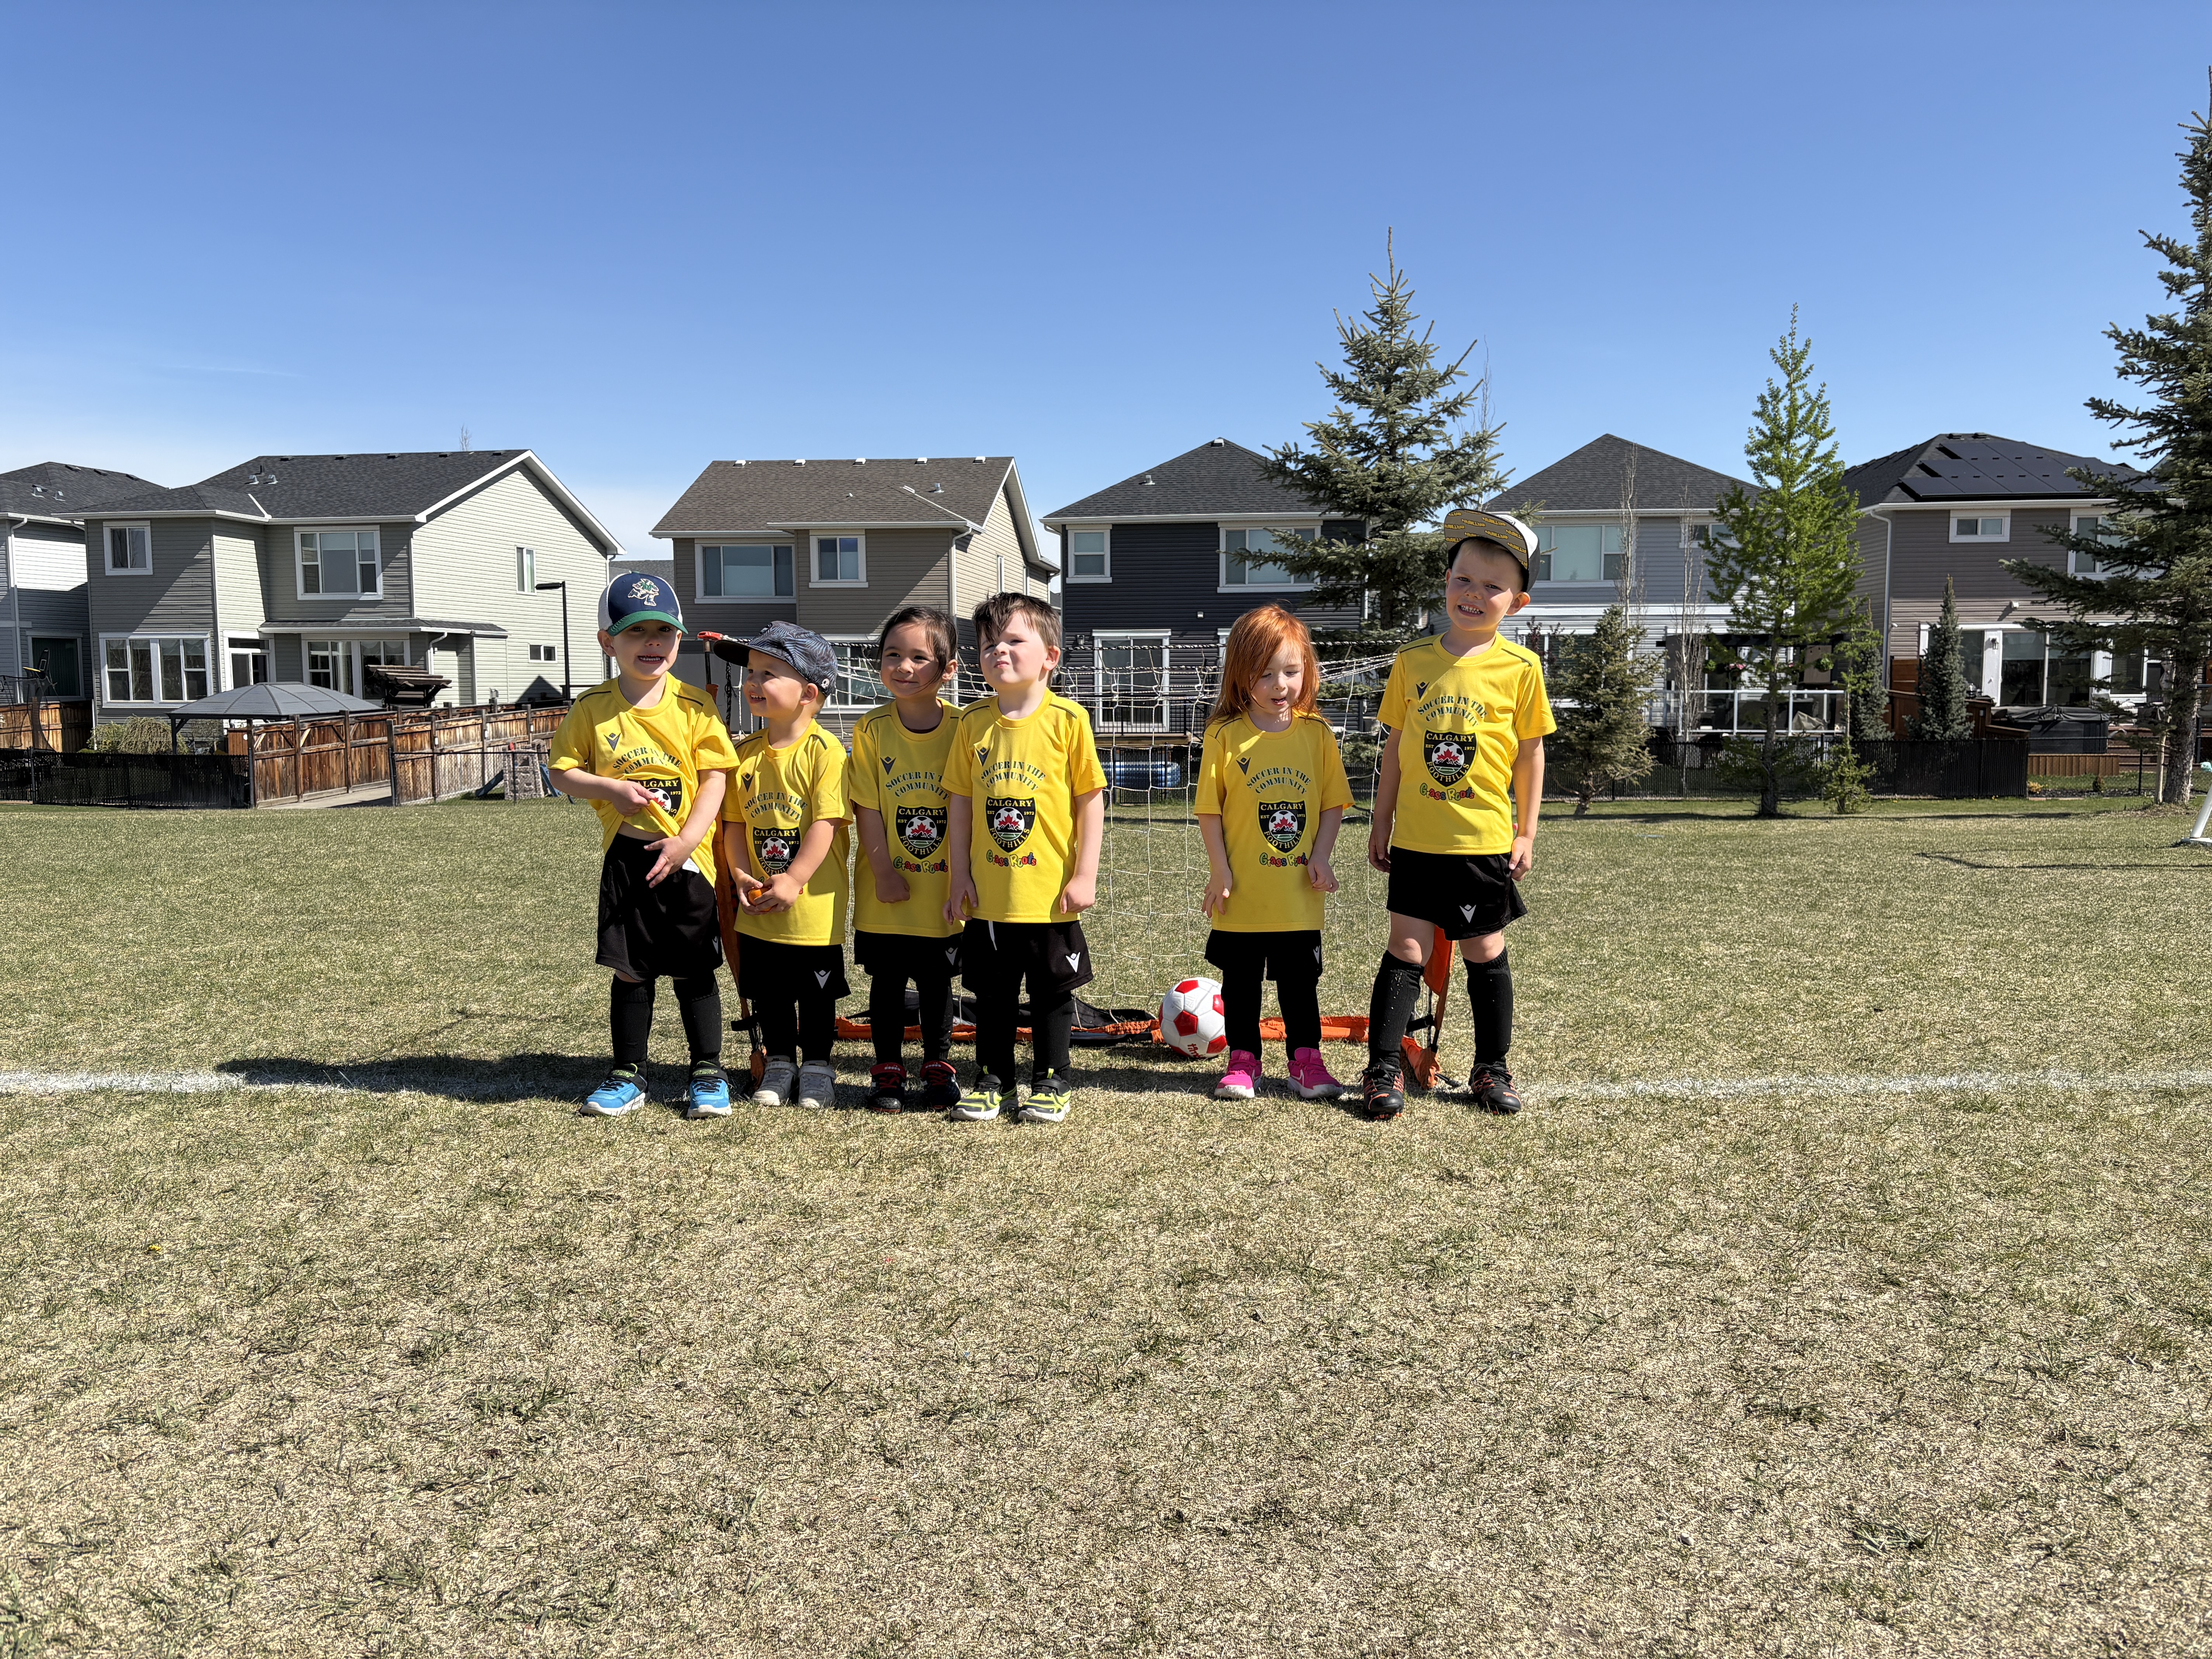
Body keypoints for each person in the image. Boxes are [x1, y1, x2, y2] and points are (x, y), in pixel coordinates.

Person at [1360, 509, 1554, 1123]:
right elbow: (1394, 750)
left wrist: (1526, 832)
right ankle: (1383, 1068)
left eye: (1492, 586)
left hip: (1482, 842)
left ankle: (1491, 1067)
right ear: (1445, 582)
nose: (1473, 594)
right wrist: (1381, 820)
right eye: (1462, 579)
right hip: (1418, 839)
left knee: (1484, 950)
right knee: (1406, 952)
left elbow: (1530, 754)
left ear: (1516, 603)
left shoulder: (1522, 670)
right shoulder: (1413, 662)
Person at [548, 571, 740, 1119]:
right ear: (609, 642)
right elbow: (562, 772)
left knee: (694, 969)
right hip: (630, 860)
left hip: (687, 860)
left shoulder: (695, 707)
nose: (652, 643)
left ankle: (707, 1070)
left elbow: (716, 779)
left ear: (678, 640)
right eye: (636, 632)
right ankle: (627, 1073)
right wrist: (607, 787)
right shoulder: (593, 708)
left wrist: (686, 841)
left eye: (664, 631)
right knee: (631, 969)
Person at [940, 593, 1106, 1125]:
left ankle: (1052, 1080)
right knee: (993, 995)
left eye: (1015, 641)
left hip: (1051, 895)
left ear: (1050, 656)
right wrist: (959, 873)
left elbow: (1090, 800)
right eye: (989, 644)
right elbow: (961, 805)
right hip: (990, 897)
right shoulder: (972, 724)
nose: (999, 652)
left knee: (1052, 993)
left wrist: (1085, 874)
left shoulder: (1068, 720)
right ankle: (993, 1080)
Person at [1197, 605, 1355, 1102]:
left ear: (1307, 669)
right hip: (1242, 896)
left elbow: (1333, 805)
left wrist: (1322, 857)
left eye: (1290, 670)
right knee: (1241, 984)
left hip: (1296, 897)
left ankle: (1306, 1062)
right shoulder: (1225, 736)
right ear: (1242, 675)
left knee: (1299, 983)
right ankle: (1243, 1062)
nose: (1280, 683)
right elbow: (1210, 812)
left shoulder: (1317, 735)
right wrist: (1220, 870)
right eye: (1265, 673)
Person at [709, 622, 852, 1111]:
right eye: (751, 672)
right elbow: (732, 825)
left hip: (813, 910)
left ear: (809, 692)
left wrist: (793, 880)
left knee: (815, 997)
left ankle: (816, 1066)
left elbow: (827, 824)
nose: (752, 683)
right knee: (769, 992)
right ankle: (780, 1063)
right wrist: (739, 873)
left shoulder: (825, 752)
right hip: (757, 909)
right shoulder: (743, 756)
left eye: (769, 673)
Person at [848, 605, 965, 1113]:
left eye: (919, 657)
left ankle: (939, 1065)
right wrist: (882, 871)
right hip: (889, 890)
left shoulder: (967, 727)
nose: (904, 667)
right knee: (888, 982)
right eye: (893, 655)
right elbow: (867, 805)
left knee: (939, 981)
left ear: (949, 668)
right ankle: (888, 1069)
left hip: (943, 890)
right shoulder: (872, 729)